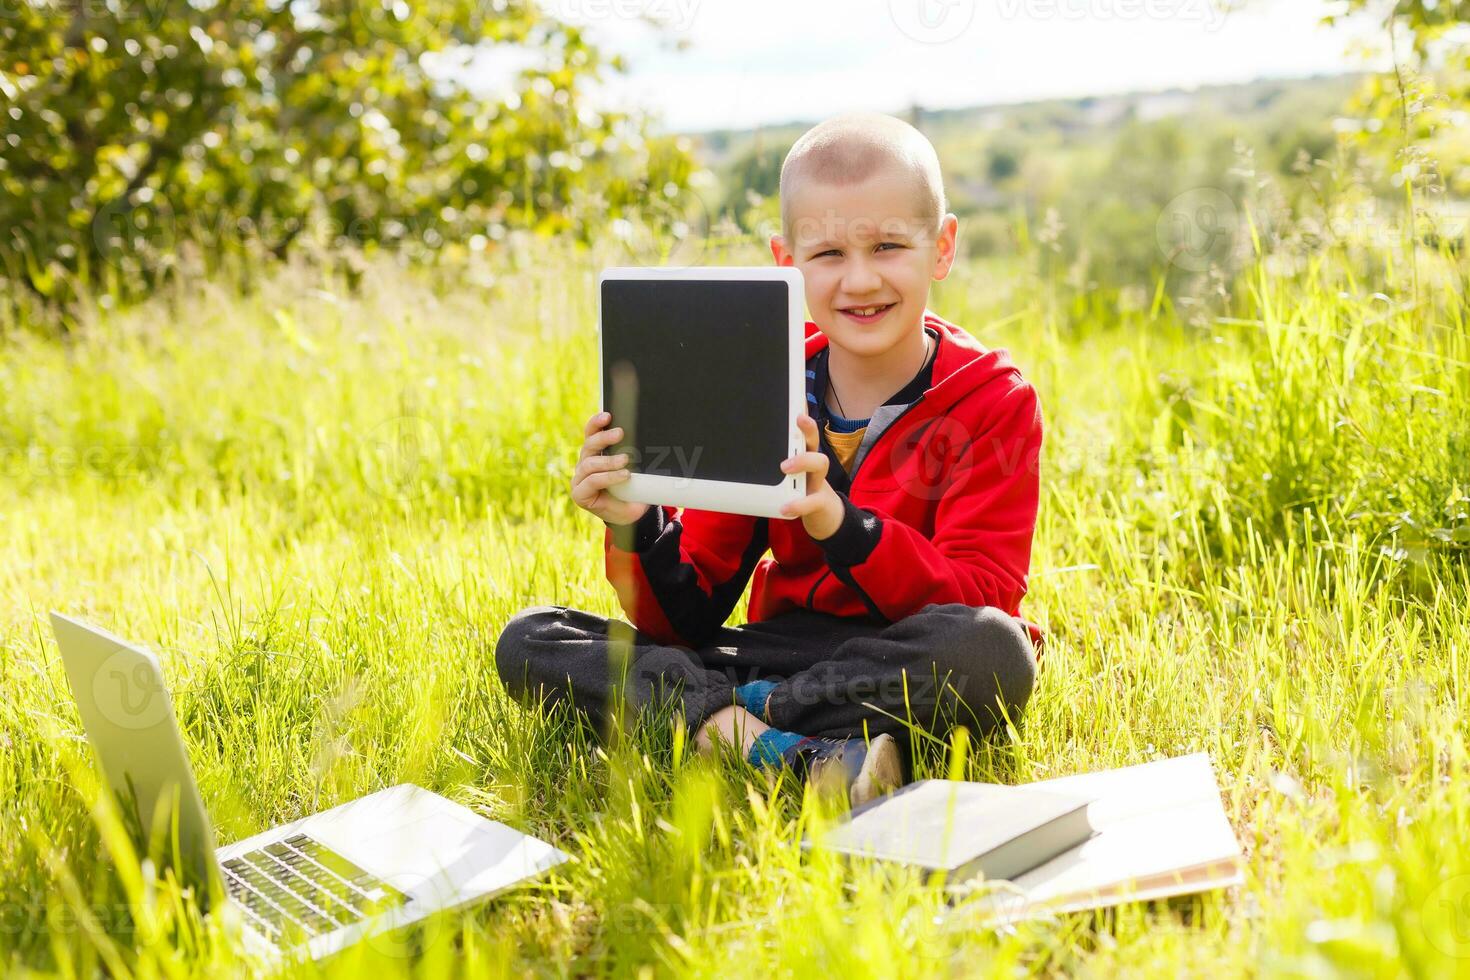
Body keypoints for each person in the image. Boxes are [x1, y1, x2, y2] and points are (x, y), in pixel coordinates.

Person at [495, 112, 1043, 806]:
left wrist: (844, 528)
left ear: (942, 247)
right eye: (829, 255)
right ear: (788, 262)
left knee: (993, 652)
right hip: (772, 649)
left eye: (889, 246)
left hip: (899, 656)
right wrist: (640, 524)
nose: (861, 280)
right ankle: (787, 746)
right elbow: (685, 621)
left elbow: (984, 597)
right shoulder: (767, 383)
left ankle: (722, 724)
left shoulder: (994, 399)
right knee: (532, 639)